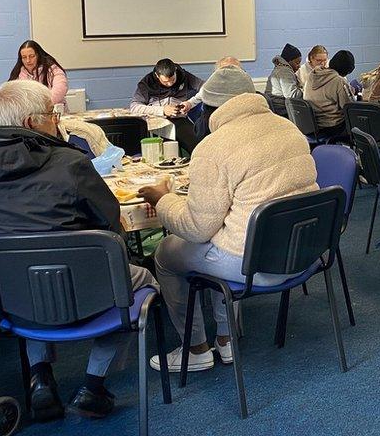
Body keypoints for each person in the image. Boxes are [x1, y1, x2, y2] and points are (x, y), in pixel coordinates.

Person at [0, 80, 158, 421]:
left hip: (6, 294)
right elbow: (109, 220)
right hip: (82, 289)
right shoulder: (69, 163)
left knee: (29, 272)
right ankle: (94, 384)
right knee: (143, 278)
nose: (57, 119)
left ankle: (40, 377)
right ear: (32, 122)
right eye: (51, 113)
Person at [137, 70, 317, 373]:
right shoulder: (289, 128)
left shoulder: (214, 147)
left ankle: (196, 349)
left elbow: (197, 228)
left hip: (253, 265)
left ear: (210, 108)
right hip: (303, 253)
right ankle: (226, 339)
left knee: (167, 254)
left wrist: (163, 200)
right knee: (224, 233)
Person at [129, 58, 204, 154]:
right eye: (165, 82)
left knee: (199, 147)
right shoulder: (147, 82)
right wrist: (162, 110)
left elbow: (206, 89)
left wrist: (190, 103)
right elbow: (134, 106)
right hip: (155, 122)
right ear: (157, 75)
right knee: (167, 153)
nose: (169, 84)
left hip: (178, 119)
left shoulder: (185, 76)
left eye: (172, 80)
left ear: (175, 72)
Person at [305, 49, 356, 139]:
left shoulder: (312, 75)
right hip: (332, 126)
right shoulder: (338, 80)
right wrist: (351, 93)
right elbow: (349, 107)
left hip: (313, 125)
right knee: (359, 123)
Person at [9, 40, 68, 109]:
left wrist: (40, 106)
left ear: (38, 56)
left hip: (53, 111)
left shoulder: (53, 69)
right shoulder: (17, 74)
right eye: (24, 57)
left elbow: (60, 90)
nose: (28, 60)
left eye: (32, 56)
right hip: (29, 114)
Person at [265, 43, 303, 115]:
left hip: (275, 106)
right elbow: (291, 95)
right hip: (281, 108)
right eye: (297, 63)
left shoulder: (280, 68)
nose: (299, 66)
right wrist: (305, 90)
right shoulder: (285, 71)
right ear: (289, 61)